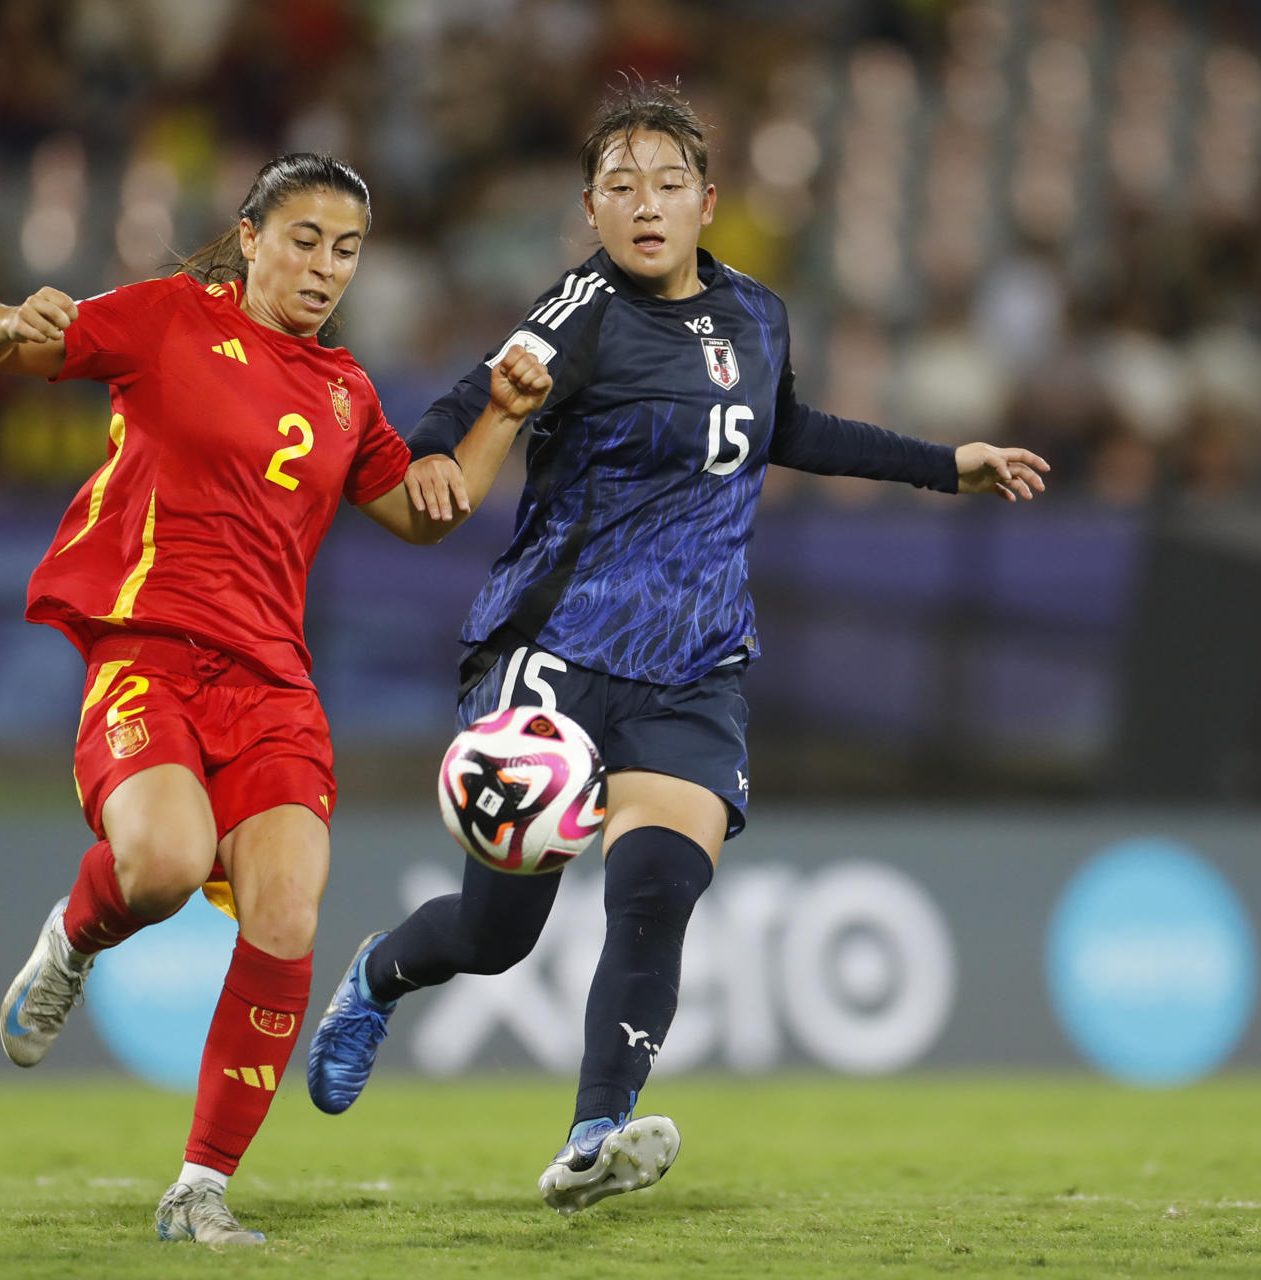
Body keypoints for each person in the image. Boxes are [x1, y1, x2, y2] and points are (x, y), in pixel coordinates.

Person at [305, 81, 1050, 1215]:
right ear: (590, 211)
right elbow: (472, 396)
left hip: (695, 659)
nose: (644, 205)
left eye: (665, 184)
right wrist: (442, 452)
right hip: (556, 649)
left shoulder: (759, 312)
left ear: (707, 201)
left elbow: (786, 428)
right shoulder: (579, 310)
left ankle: (594, 1130)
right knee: (500, 935)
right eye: (618, 187)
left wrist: (947, 463)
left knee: (656, 884)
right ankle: (377, 974)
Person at [0, 151, 550, 1245]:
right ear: (250, 236)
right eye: (307, 240)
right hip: (150, 656)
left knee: (286, 908)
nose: (326, 268)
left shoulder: (345, 391)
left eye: (348, 250)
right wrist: (2, 326)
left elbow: (422, 513)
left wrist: (499, 417)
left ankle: (200, 1187)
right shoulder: (166, 319)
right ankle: (76, 937)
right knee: (168, 865)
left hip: (273, 683)